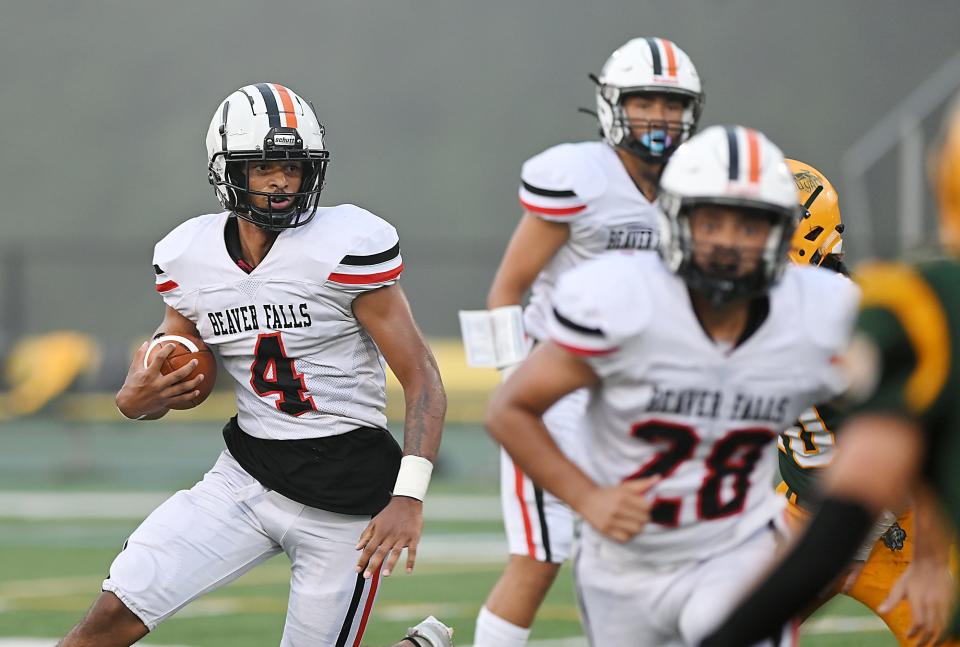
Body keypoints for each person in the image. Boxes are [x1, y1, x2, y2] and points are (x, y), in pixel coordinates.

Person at [59, 83, 448, 647]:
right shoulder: (188, 257)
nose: (280, 181)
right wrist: (134, 399)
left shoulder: (344, 246)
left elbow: (423, 379)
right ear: (228, 169)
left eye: (293, 166)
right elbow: (176, 360)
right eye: (263, 165)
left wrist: (408, 496)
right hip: (243, 478)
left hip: (347, 501)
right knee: (110, 617)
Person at [487, 124, 859, 646]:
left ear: (780, 232)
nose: (730, 242)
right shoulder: (623, 299)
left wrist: (925, 551)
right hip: (626, 562)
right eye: (714, 221)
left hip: (736, 547)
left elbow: (913, 418)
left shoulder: (821, 309)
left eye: (750, 225)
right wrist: (587, 497)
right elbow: (510, 409)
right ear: (676, 219)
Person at [700, 98, 960, 647]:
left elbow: (919, 439)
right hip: (804, 515)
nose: (738, 243)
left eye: (758, 227)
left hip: (900, 527)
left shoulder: (852, 317)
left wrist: (936, 551)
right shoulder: (741, 310)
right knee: (716, 629)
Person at [474, 37, 704, 647]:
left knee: (662, 554)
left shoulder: (697, 184)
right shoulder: (580, 175)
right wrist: (514, 385)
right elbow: (505, 291)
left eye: (671, 104)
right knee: (540, 556)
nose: (658, 117)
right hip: (562, 393)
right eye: (645, 101)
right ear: (612, 104)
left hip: (646, 396)